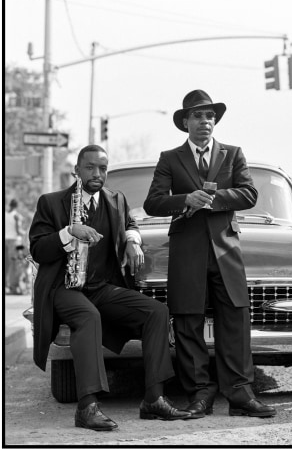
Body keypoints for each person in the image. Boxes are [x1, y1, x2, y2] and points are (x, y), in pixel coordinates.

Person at [29, 145, 191, 431]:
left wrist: (132, 240)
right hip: (64, 288)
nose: (97, 173)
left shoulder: (116, 199)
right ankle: (87, 407)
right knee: (88, 317)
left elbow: (131, 222)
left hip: (102, 287)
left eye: (102, 168)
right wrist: (68, 232)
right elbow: (39, 249)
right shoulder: (51, 202)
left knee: (156, 312)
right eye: (90, 167)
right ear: (76, 170)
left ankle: (154, 399)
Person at [143, 89, 276, 419]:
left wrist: (216, 200)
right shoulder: (169, 158)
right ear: (185, 121)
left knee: (235, 319)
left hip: (226, 250)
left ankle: (241, 395)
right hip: (187, 250)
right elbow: (153, 202)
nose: (205, 122)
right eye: (198, 116)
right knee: (188, 322)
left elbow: (249, 193)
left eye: (210, 117)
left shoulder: (233, 154)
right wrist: (185, 200)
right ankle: (200, 394)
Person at [5, 198, 24, 294]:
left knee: (6, 264)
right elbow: (18, 231)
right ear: (17, 206)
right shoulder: (16, 216)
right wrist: (25, 233)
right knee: (15, 264)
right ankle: (13, 287)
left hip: (4, 240)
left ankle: (6, 285)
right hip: (14, 241)